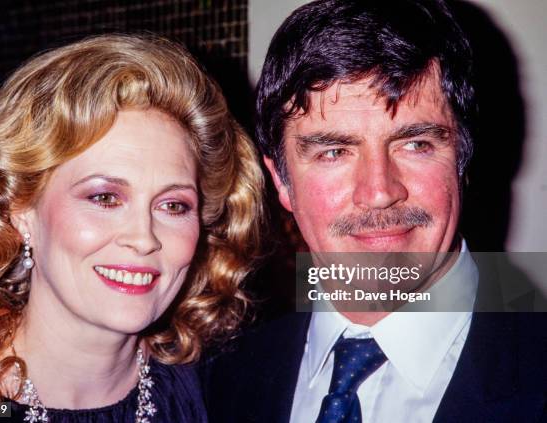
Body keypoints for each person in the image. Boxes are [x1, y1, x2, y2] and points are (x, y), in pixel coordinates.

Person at [205, 1, 547, 422]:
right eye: (334, 151)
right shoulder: (214, 383)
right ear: (281, 182)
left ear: (462, 159)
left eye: (415, 144)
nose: (379, 192)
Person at [0, 34, 263, 422]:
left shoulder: (223, 394)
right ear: (19, 210)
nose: (143, 238)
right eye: (104, 198)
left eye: (174, 205)